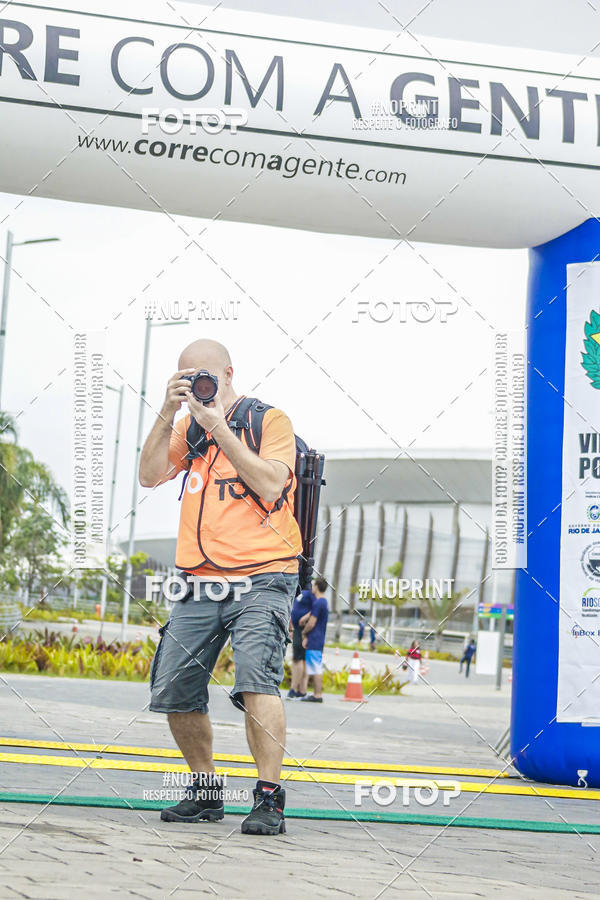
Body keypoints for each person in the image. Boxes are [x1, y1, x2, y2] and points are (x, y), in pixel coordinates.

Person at [140, 338, 301, 836]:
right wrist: (168, 411)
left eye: (204, 376)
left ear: (228, 373)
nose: (198, 386)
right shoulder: (184, 427)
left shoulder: (268, 421)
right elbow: (148, 476)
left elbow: (271, 484)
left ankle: (268, 797)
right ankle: (206, 789)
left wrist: (219, 428)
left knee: (256, 681)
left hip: (264, 575)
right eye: (186, 378)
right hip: (201, 580)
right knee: (174, 685)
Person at [301, 577, 329, 703]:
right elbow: (311, 615)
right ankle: (317, 694)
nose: (312, 587)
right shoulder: (323, 602)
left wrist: (304, 632)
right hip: (319, 638)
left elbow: (312, 622)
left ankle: (317, 695)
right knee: (315, 666)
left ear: (317, 587)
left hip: (314, 638)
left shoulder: (318, 603)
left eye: (313, 585)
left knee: (316, 668)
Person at [288, 587, 313, 699]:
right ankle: (302, 690)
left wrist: (305, 618)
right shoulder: (296, 589)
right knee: (301, 659)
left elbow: (316, 608)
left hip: (304, 628)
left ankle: (294, 689)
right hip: (296, 628)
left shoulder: (311, 592)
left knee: (298, 659)